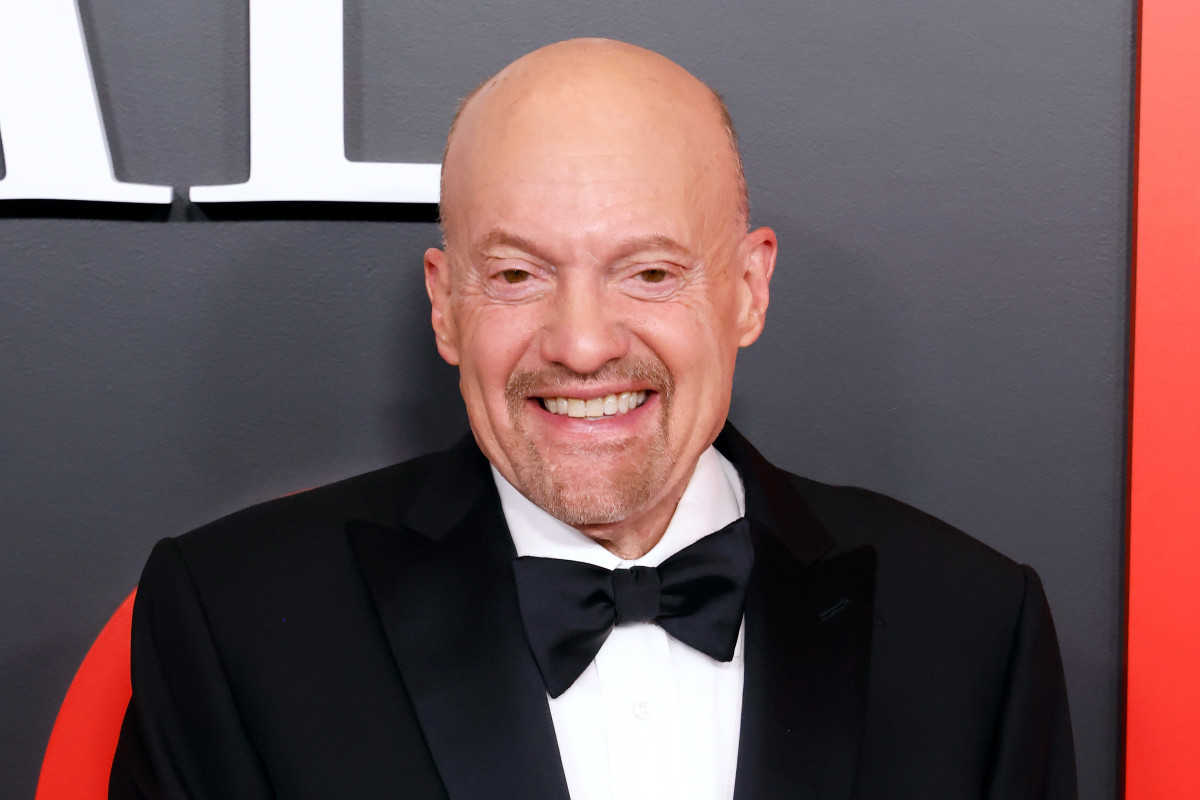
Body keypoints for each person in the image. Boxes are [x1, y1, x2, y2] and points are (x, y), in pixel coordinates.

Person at [110, 38, 1076, 800]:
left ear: (749, 289)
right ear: (445, 306)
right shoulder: (237, 623)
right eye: (517, 274)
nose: (580, 345)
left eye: (649, 272)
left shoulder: (971, 628)